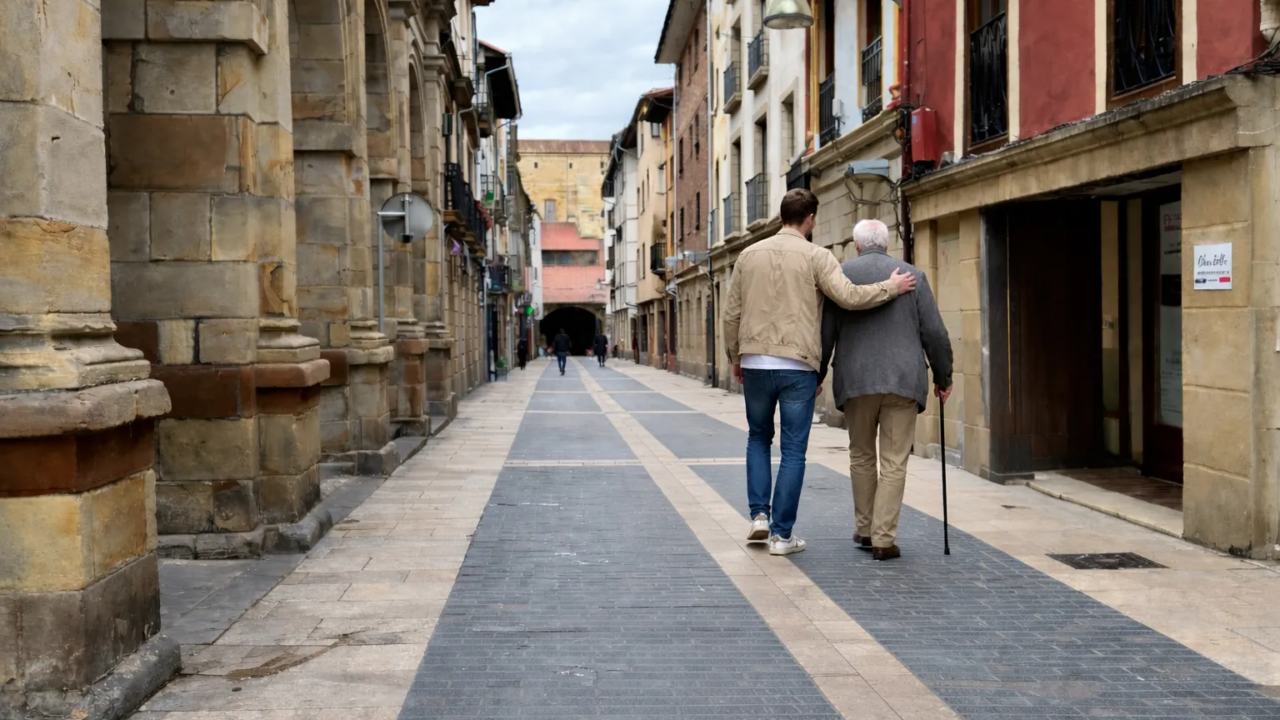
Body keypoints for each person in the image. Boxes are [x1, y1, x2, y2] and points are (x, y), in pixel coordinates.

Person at [723, 189, 918, 556]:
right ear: (810, 218)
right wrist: (890, 288)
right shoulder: (817, 256)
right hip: (797, 366)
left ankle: (759, 516)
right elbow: (849, 297)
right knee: (793, 450)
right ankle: (782, 536)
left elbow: (731, 312)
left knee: (758, 438)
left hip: (755, 363)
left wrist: (735, 355)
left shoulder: (747, 256)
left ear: (782, 216)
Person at [818, 219, 953, 562]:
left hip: (856, 380)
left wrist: (816, 374)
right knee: (894, 460)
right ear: (887, 244)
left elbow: (825, 333)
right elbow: (934, 333)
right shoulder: (912, 275)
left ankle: (864, 530)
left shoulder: (841, 274)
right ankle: (883, 538)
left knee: (861, 455)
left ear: (857, 245)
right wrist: (944, 376)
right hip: (903, 381)